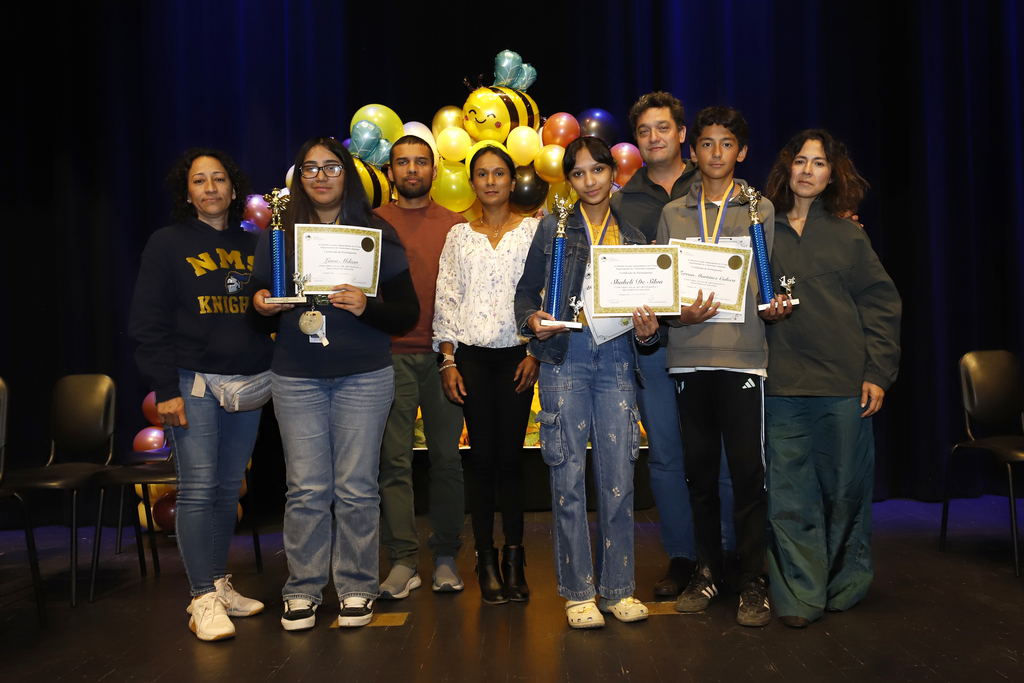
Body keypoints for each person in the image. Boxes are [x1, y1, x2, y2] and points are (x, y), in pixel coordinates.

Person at [250, 137, 419, 630]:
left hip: (365, 377)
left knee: (357, 489)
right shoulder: (279, 233)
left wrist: (368, 306)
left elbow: (406, 313)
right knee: (305, 489)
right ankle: (302, 589)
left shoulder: (375, 231)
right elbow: (257, 316)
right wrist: (261, 306)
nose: (321, 177)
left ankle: (356, 587)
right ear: (298, 179)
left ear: (347, 173)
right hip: (296, 377)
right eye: (310, 169)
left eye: (331, 167)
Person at [515, 136, 660, 629]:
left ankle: (618, 589)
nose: (590, 181)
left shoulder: (635, 235)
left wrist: (650, 328)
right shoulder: (553, 229)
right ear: (568, 180)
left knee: (619, 480)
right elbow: (524, 293)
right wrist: (532, 319)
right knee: (568, 477)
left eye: (597, 170)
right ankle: (578, 593)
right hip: (564, 356)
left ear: (611, 171)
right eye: (578, 174)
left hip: (619, 356)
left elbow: (653, 317)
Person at [129, 147, 273, 642]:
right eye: (199, 181)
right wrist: (165, 390)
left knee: (227, 488)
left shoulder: (258, 244)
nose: (210, 188)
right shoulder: (167, 244)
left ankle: (216, 582)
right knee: (197, 488)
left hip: (248, 384)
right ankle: (201, 598)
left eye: (218, 180)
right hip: (192, 384)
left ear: (234, 191)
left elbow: (268, 312)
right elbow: (148, 323)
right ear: (187, 193)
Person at [656, 107, 790, 627]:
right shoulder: (673, 212)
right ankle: (708, 571)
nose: (715, 153)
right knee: (700, 476)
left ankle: (752, 580)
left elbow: (764, 283)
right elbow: (664, 289)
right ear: (694, 152)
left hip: (742, 359)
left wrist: (774, 303)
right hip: (688, 356)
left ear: (742, 152)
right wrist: (676, 312)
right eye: (707, 144)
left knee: (749, 475)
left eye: (726, 144)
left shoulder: (760, 209)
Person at [762, 130, 901, 628]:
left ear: (831, 175)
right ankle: (800, 596)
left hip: (844, 384)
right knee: (789, 494)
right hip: (780, 386)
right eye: (800, 161)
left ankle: (844, 585)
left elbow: (882, 306)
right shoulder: (763, 231)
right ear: (786, 169)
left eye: (818, 163)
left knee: (845, 492)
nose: (807, 170)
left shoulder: (849, 233)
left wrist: (878, 373)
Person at [611, 92, 737, 598]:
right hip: (654, 345)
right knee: (664, 457)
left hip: (716, 340)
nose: (655, 138)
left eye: (664, 128)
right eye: (644, 131)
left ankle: (727, 553)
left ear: (683, 134)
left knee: (724, 455)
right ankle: (684, 557)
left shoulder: (716, 182)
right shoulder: (621, 200)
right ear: (636, 140)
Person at [433, 143, 539, 604]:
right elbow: (448, 299)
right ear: (473, 183)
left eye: (500, 173)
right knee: (481, 460)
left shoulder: (534, 231)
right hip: (472, 359)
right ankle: (485, 560)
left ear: (512, 181)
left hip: (519, 355)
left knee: (513, 461)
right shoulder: (459, 236)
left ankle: (515, 559)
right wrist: (449, 360)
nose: (491, 181)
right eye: (482, 174)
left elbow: (546, 295)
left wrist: (536, 351)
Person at [375, 135, 466, 599]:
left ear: (435, 170)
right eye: (402, 162)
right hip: (386, 357)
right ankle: (403, 560)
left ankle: (446, 555)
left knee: (448, 460)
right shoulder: (371, 225)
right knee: (393, 462)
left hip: (444, 356)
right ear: (390, 171)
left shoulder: (457, 226)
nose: (412, 169)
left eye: (421, 162)